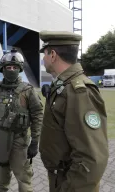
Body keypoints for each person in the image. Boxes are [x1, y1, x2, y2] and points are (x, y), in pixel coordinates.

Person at [39, 31, 109, 192]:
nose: (43, 59)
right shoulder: (64, 85)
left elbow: (93, 157)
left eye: (45, 54)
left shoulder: (79, 92)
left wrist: (68, 187)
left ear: (53, 55)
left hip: (72, 182)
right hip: (61, 177)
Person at [0, 48, 43, 192]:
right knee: (2, 175)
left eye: (15, 67)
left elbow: (38, 115)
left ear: (20, 69)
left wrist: (35, 141)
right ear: (3, 69)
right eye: (9, 67)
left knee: (24, 177)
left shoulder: (28, 91)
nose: (12, 70)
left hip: (19, 140)